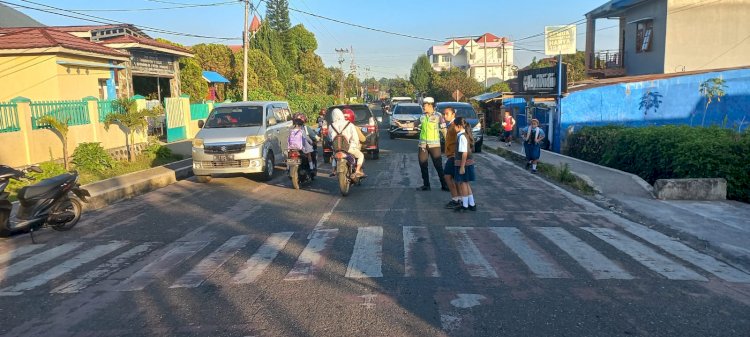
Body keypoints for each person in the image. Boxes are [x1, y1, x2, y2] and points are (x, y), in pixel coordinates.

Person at [417, 97, 448, 191]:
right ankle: (426, 185)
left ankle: (444, 185)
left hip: (435, 145)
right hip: (422, 145)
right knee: (423, 165)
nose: (423, 107)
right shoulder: (422, 116)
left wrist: (448, 143)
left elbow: (444, 130)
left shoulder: (439, 116)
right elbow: (414, 124)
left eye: (424, 105)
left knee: (438, 166)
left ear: (430, 105)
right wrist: (401, 125)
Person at [329, 108, 366, 177]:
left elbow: (330, 138)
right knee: (361, 155)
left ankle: (333, 170)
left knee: (334, 155)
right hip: (348, 148)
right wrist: (354, 145)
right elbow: (355, 138)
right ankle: (357, 170)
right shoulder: (349, 124)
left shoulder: (331, 126)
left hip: (337, 148)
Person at [453, 117, 476, 212]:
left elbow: (464, 153)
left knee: (463, 184)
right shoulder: (464, 135)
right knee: (466, 183)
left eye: (454, 126)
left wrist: (462, 167)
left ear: (458, 126)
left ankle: (465, 205)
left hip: (464, 164)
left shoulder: (462, 136)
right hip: (467, 163)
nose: (454, 128)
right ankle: (472, 203)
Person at [441, 107, 461, 208]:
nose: (445, 116)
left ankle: (456, 199)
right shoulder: (450, 125)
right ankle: (458, 199)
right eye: (444, 114)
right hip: (451, 155)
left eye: (447, 114)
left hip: (454, 155)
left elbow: (461, 138)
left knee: (448, 177)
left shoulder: (454, 126)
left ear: (453, 114)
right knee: (453, 177)